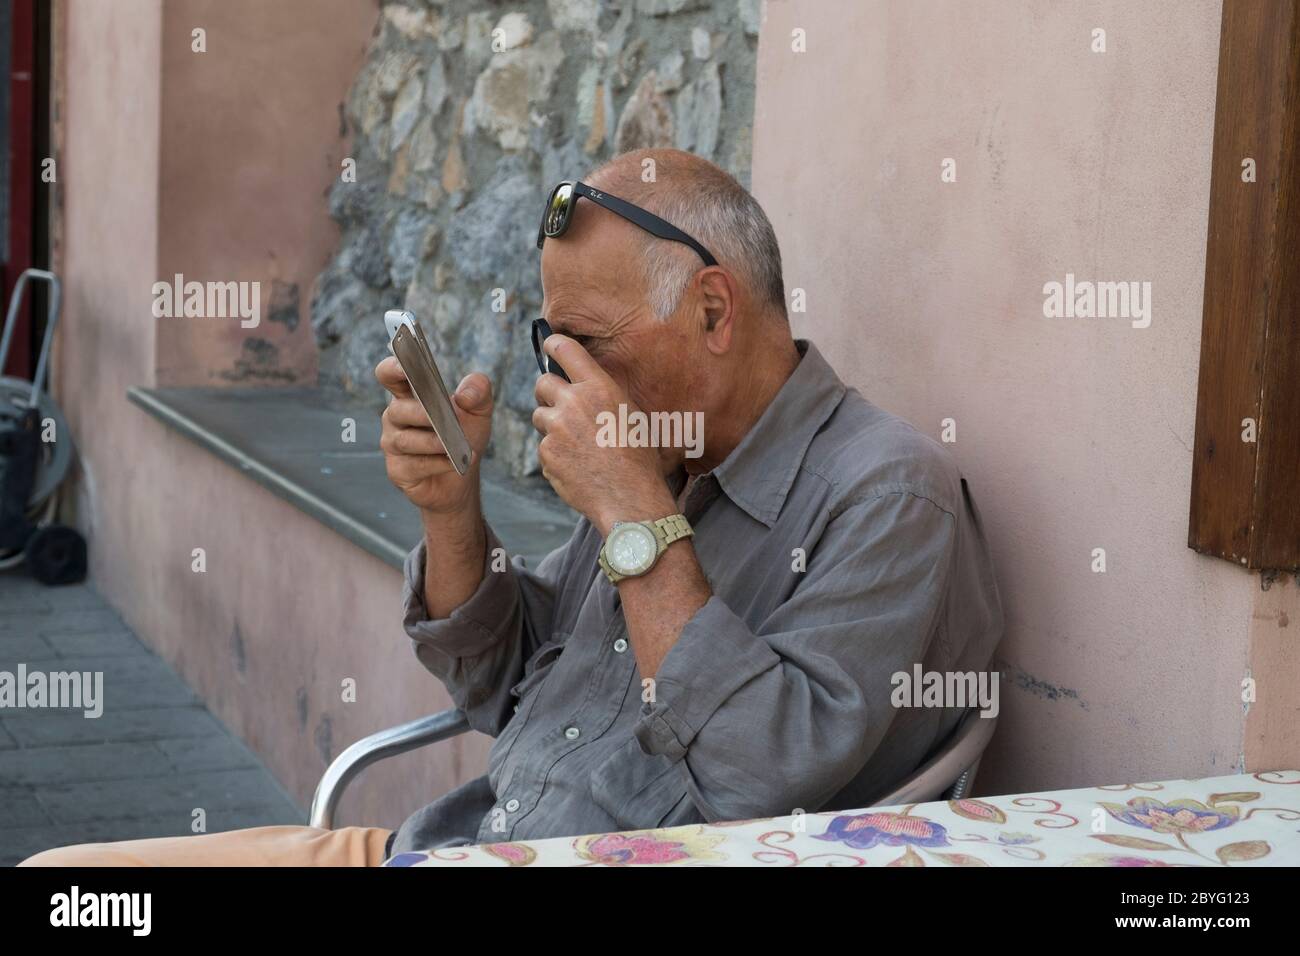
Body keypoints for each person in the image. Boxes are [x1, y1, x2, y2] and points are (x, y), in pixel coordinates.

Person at [21, 148, 1002, 867]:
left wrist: (631, 510)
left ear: (712, 310)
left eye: (590, 339)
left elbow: (763, 776)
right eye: (551, 339)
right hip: (451, 838)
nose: (565, 374)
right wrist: (454, 514)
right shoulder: (663, 446)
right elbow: (499, 684)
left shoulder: (888, 496)